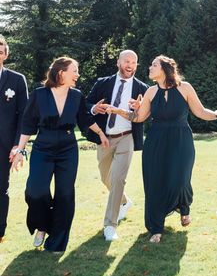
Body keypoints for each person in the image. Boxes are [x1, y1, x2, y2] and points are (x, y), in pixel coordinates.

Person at [107, 55, 217, 243]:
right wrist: (118, 111)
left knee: (180, 179)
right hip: (156, 141)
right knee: (155, 183)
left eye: (154, 65)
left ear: (164, 69)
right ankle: (156, 228)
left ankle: (184, 206)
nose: (149, 68)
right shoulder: (150, 92)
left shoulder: (185, 88)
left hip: (181, 141)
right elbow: (138, 118)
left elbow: (200, 111)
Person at [10, 57, 109, 253]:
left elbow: (84, 119)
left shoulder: (77, 95)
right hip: (42, 148)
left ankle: (57, 242)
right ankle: (43, 225)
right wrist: (20, 149)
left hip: (67, 149)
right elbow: (28, 123)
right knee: (35, 191)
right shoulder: (39, 95)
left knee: (65, 195)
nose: (78, 75)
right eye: (75, 70)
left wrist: (100, 133)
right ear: (61, 72)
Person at [86, 50, 148, 242]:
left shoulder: (142, 88)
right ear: (118, 62)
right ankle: (124, 201)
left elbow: (147, 114)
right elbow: (87, 103)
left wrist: (140, 108)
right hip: (104, 137)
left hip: (126, 137)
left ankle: (110, 225)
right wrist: (93, 108)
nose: (130, 65)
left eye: (134, 62)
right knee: (106, 177)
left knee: (119, 179)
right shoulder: (103, 83)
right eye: (127, 61)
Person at [0, 35, 29, 243]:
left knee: (1, 188)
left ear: (6, 54)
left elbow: (24, 116)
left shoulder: (17, 80)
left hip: (5, 145)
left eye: (2, 48)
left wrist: (18, 146)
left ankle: (0, 231)